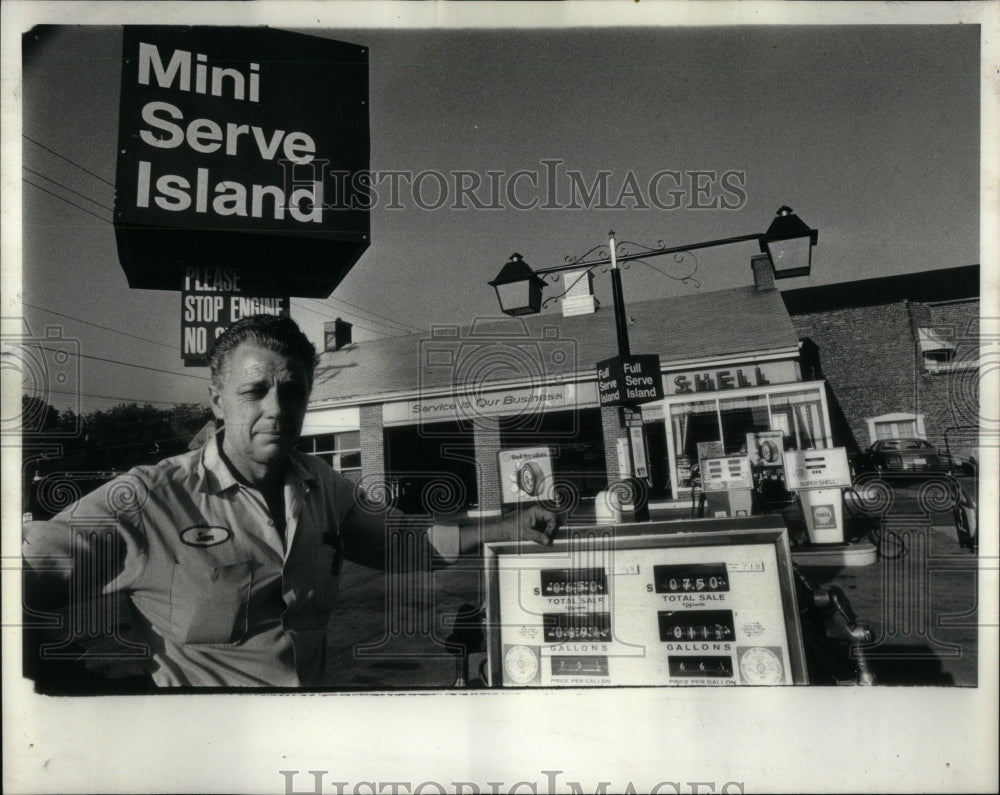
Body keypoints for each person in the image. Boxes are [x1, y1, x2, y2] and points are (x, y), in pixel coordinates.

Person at [22, 314, 561, 688]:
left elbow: (405, 543)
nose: (277, 408)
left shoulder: (322, 486)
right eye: (255, 391)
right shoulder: (147, 499)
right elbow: (26, 570)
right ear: (216, 399)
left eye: (294, 391)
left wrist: (501, 528)